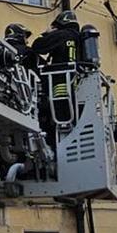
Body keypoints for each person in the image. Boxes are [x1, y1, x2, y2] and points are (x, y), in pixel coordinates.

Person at [30, 10, 81, 145]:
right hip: (78, 87)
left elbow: (37, 47)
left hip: (60, 86)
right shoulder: (80, 38)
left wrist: (48, 33)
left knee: (59, 121)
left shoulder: (62, 35)